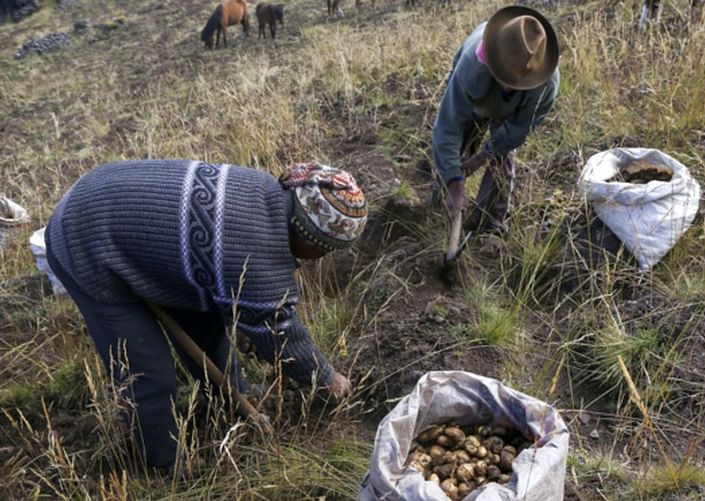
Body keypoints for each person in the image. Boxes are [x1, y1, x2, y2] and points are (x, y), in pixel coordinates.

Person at [45, 160, 367, 470]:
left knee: (205, 325)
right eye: (325, 248)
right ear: (305, 231)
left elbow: (225, 280)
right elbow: (279, 333)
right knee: (147, 370)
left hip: (125, 220)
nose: (322, 257)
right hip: (83, 241)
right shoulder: (258, 255)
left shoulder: (263, 191)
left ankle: (231, 394)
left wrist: (244, 317)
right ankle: (163, 459)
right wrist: (325, 377)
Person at [431, 5, 560, 233]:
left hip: (512, 111)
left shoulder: (545, 85)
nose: (510, 85)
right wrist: (454, 181)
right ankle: (440, 207)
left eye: (517, 80)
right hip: (476, 97)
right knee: (458, 149)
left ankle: (489, 226)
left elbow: (516, 131)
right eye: (505, 76)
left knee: (502, 158)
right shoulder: (471, 66)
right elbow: (448, 127)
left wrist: (483, 156)